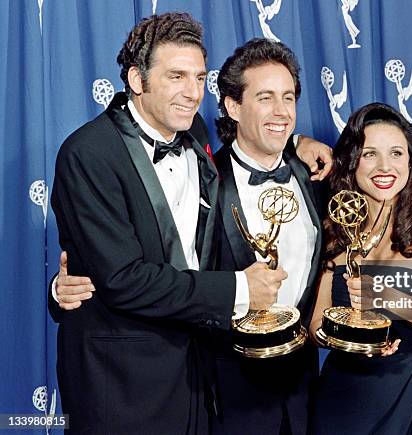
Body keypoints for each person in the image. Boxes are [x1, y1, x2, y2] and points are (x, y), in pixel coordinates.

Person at [50, 13, 291, 433]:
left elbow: (248, 141)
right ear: (137, 81)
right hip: (120, 381)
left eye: (199, 77)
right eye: (176, 76)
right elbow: (124, 278)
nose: (193, 92)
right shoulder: (87, 153)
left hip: (195, 373)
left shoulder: (193, 130)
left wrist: (301, 144)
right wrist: (239, 288)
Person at [309, 102, 412, 434]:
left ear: (410, 163)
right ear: (352, 161)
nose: (385, 166)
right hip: (341, 399)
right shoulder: (335, 229)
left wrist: (387, 296)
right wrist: (353, 340)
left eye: (396, 153)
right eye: (370, 154)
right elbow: (316, 327)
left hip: (408, 398)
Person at [208, 38, 324, 435]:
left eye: (288, 97)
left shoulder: (315, 175)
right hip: (228, 392)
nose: (281, 111)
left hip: (304, 389)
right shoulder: (203, 181)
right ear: (233, 106)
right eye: (265, 98)